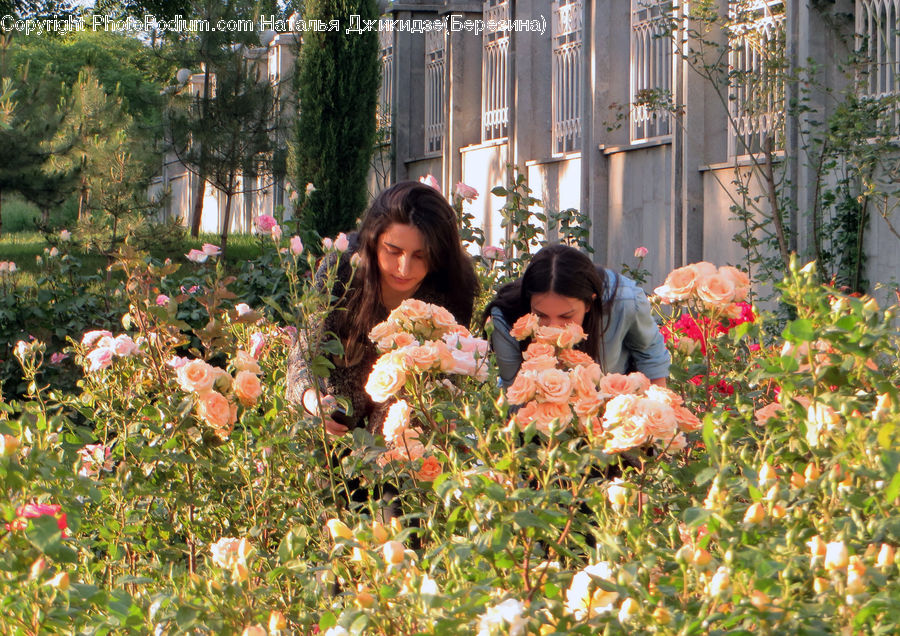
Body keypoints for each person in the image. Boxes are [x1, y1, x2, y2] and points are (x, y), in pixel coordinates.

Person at [286, 181, 479, 436]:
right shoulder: (343, 270)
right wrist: (310, 399)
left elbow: (442, 382)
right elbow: (306, 351)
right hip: (330, 432)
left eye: (420, 256)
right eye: (393, 251)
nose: (404, 268)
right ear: (373, 241)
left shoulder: (452, 292)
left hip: (403, 445)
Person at [485, 244, 669, 387]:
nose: (553, 327)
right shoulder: (505, 317)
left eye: (566, 316)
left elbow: (652, 358)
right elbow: (515, 395)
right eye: (541, 315)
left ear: (589, 303)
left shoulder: (624, 301)